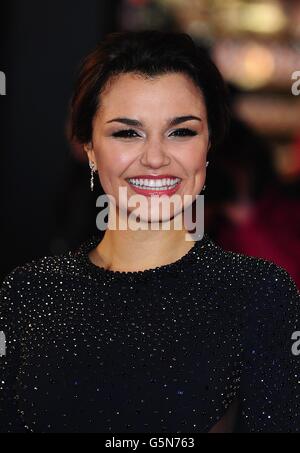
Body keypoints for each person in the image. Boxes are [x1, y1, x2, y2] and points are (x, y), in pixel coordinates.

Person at [0, 30, 299, 433]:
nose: (155, 158)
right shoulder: (27, 293)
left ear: (208, 146)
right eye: (127, 132)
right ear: (89, 147)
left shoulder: (259, 294)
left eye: (181, 131)